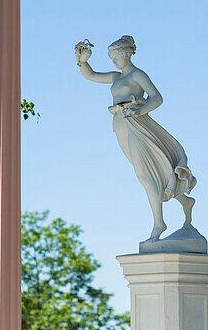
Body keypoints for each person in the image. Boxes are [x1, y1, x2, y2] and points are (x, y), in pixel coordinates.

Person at [74, 35, 196, 242]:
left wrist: (140, 111)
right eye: (111, 58)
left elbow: (157, 97)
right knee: (149, 170)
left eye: (115, 57)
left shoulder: (138, 74)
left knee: (143, 174)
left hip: (136, 124)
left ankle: (159, 223)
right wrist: (82, 60)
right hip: (121, 125)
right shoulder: (116, 76)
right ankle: (184, 201)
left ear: (127, 53)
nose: (113, 61)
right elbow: (91, 75)